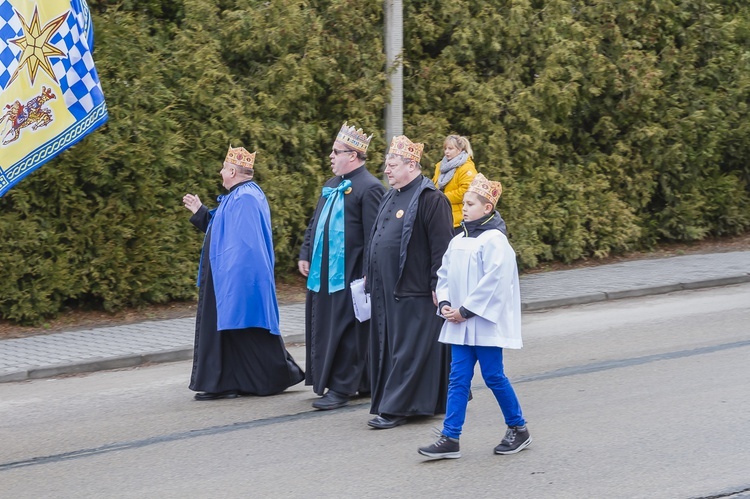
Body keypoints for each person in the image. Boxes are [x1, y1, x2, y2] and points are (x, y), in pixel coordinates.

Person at [418, 173, 531, 459]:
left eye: (470, 203)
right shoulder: (459, 239)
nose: (464, 207)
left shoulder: (495, 241)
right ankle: (450, 437)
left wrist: (465, 311)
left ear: (487, 208)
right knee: (457, 378)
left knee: (493, 376)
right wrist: (444, 302)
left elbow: (495, 282)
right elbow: (444, 274)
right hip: (459, 321)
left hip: (482, 322)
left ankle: (518, 428)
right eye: (464, 203)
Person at [182, 146, 304, 400]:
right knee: (233, 331)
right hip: (227, 277)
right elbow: (222, 232)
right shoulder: (239, 196)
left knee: (239, 329)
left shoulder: (245, 197)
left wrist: (233, 283)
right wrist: (201, 213)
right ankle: (227, 383)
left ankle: (241, 381)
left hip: (233, 279)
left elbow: (246, 246)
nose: (220, 172)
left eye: (224, 168)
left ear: (234, 171)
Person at [365, 135, 454, 429]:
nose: (387, 170)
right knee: (393, 346)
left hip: (414, 289)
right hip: (386, 289)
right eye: (387, 165)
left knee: (409, 348)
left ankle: (397, 408)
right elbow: (377, 236)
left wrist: (437, 287)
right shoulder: (391, 194)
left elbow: (442, 248)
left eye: (393, 165)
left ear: (412, 165)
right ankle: (421, 401)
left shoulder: (431, 199)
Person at [298, 122, 386, 410]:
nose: (331, 157)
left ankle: (342, 387)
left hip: (350, 274)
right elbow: (315, 223)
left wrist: (367, 275)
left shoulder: (370, 187)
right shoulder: (330, 185)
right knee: (327, 325)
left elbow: (375, 235)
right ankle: (356, 383)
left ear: (354, 155)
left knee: (348, 331)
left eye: (336, 152)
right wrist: (305, 253)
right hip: (323, 275)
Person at [431, 135, 478, 233]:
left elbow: (467, 192)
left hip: (458, 222)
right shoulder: (440, 166)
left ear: (460, 150)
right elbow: (434, 185)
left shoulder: (467, 168)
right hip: (440, 217)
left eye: (450, 148)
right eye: (445, 148)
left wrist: (442, 197)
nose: (446, 151)